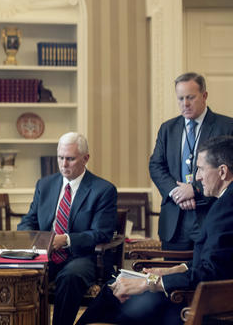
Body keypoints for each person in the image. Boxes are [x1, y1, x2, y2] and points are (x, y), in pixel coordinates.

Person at [77, 135, 233, 325]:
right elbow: (214, 263)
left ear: (223, 171)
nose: (197, 177)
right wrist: (167, 271)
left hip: (200, 306)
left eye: (200, 169)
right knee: (115, 289)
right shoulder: (224, 203)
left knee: (113, 293)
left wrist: (147, 283)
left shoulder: (226, 209)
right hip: (197, 295)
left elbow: (211, 273)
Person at [17, 132, 117, 325]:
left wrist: (67, 240)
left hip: (82, 256)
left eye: (70, 159)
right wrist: (33, 238)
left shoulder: (103, 190)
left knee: (70, 277)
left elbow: (101, 233)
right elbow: (28, 221)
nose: (63, 164)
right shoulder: (45, 184)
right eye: (60, 158)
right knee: (21, 274)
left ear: (85, 158)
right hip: (45, 253)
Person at [149, 72, 233, 251]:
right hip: (174, 220)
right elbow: (156, 165)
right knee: (171, 276)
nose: (184, 104)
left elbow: (229, 170)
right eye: (180, 98)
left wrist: (194, 189)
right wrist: (176, 192)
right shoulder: (168, 129)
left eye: (190, 97)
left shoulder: (227, 127)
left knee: (207, 274)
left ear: (204, 96)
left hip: (210, 214)